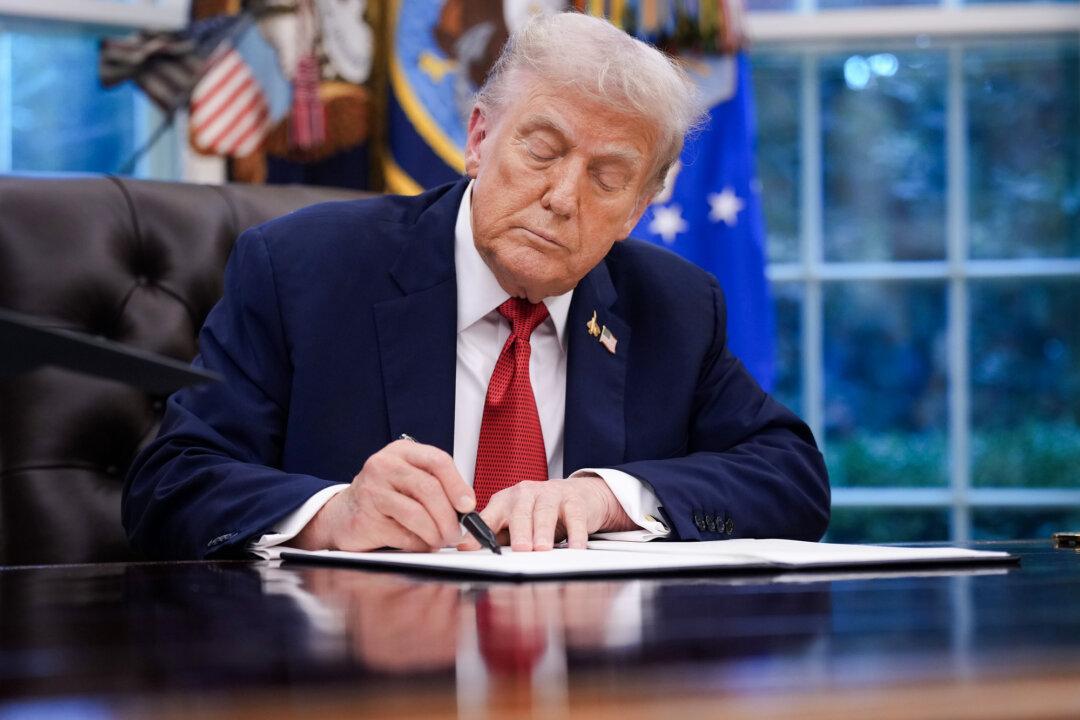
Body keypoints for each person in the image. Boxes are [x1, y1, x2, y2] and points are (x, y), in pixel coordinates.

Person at [123, 12, 829, 560]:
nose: (560, 197)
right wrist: (331, 516)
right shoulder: (304, 269)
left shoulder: (672, 306)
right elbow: (171, 485)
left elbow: (791, 477)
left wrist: (612, 497)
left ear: (637, 211)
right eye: (541, 150)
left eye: (606, 178)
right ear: (479, 139)